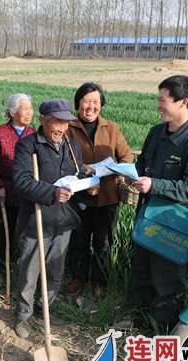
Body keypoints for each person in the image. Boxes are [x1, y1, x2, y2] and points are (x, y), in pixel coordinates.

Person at [130, 75, 188, 332]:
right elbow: (143, 164)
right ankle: (136, 322)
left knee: (168, 282)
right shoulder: (156, 132)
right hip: (148, 217)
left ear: (183, 102)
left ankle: (163, 333)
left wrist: (154, 185)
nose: (159, 106)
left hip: (174, 225)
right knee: (141, 271)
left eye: (163, 100)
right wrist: (129, 173)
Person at [12, 99, 85, 339]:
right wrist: (51, 193)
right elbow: (22, 181)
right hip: (37, 220)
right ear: (42, 120)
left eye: (65, 122)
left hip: (63, 221)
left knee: (55, 270)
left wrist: (87, 181)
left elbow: (77, 173)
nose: (62, 128)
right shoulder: (27, 146)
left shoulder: (71, 146)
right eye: (57, 121)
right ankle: (23, 314)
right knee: (29, 271)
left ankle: (46, 308)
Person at [64, 82, 134, 299]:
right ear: (78, 104)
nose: (90, 106)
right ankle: (79, 278)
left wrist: (119, 172)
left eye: (95, 102)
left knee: (103, 243)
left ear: (101, 104)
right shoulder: (68, 128)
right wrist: (82, 173)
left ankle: (100, 282)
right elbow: (62, 159)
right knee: (79, 240)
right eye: (86, 101)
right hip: (78, 196)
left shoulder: (111, 128)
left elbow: (127, 156)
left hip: (107, 197)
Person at [0, 93, 35, 275]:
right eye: (24, 109)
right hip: (6, 194)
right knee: (4, 233)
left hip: (28, 195)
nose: (29, 113)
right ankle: (2, 269)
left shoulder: (33, 134)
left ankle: (22, 269)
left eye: (30, 109)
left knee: (26, 234)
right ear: (12, 113)